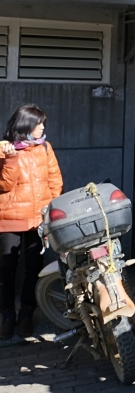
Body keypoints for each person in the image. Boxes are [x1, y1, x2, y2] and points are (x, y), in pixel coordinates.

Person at [0, 105, 62, 339]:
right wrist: (10, 159)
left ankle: (27, 313)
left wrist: (52, 211)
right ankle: (7, 315)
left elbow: (55, 181)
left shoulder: (45, 148)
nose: (43, 127)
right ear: (25, 125)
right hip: (9, 219)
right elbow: (4, 186)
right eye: (39, 123)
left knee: (35, 268)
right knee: (6, 269)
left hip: (39, 219)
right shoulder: (4, 149)